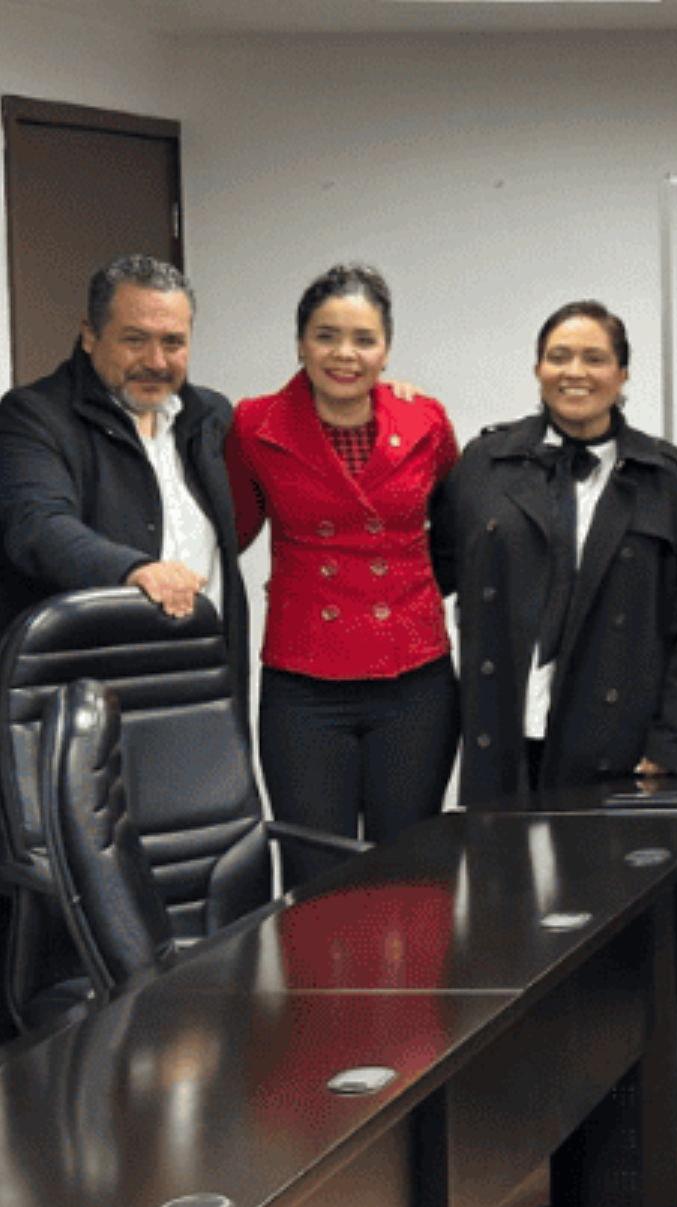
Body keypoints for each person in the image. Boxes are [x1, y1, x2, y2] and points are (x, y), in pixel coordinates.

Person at [429, 300, 677, 806]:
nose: (575, 372)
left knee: (605, 884)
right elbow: (429, 571)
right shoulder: (485, 463)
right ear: (538, 368)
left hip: (622, 749)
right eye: (558, 356)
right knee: (504, 882)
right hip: (505, 737)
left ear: (622, 373)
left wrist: (674, 742)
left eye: (594, 358)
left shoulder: (674, 481)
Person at [225, 264, 460, 889]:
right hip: (305, 684)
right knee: (314, 876)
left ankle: (412, 992)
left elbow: (458, 528)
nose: (344, 354)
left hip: (414, 678)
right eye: (327, 336)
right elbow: (232, 532)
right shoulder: (254, 425)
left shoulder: (427, 422)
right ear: (300, 343)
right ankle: (320, 994)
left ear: (386, 350)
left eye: (364, 339)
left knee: (408, 870)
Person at [0, 254, 247, 679]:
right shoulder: (33, 415)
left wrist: (375, 400)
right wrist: (134, 570)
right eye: (135, 340)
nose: (156, 361)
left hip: (207, 680)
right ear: (90, 335)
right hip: (95, 687)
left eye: (173, 342)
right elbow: (36, 524)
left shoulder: (211, 415)